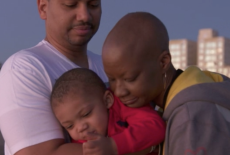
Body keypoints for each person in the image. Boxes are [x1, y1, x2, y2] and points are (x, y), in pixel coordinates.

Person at [102, 12, 230, 155]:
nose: (119, 91)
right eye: (112, 79)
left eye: (130, 79)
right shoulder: (199, 86)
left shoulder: (190, 118)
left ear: (163, 62)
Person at [0, 0, 108, 155]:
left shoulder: (111, 67)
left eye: (93, 5)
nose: (85, 16)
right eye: (71, 4)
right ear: (43, 8)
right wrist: (143, 144)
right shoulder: (24, 69)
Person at [50, 68, 166, 155]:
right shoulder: (81, 144)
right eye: (70, 126)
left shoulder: (122, 103)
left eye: (86, 114)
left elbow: (155, 128)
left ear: (107, 100)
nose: (80, 128)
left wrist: (114, 145)